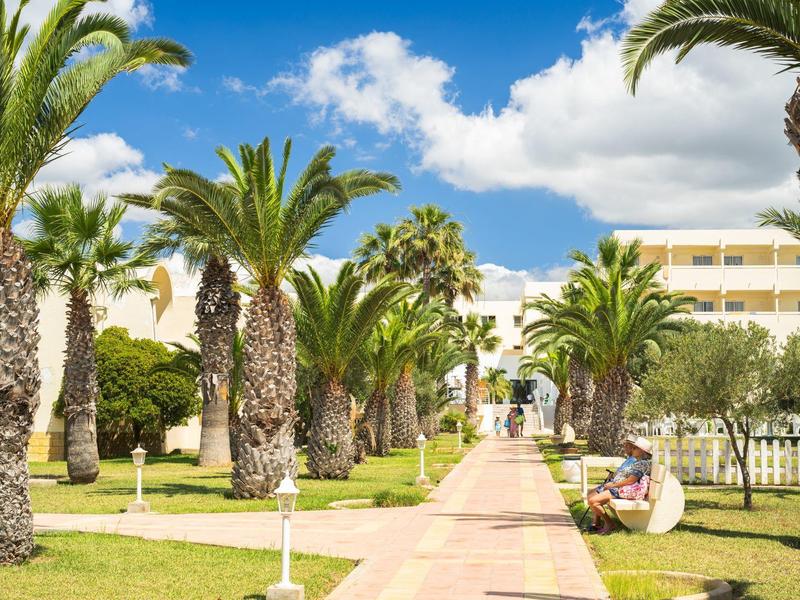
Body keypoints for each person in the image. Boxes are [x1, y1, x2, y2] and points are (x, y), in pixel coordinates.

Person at [587, 436, 652, 535]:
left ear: (642, 451)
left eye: (635, 448)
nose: (632, 449)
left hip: (622, 490)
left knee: (594, 501)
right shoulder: (639, 462)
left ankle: (609, 524)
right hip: (621, 488)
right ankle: (602, 523)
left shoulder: (641, 464)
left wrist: (613, 485)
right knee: (593, 499)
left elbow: (631, 481)